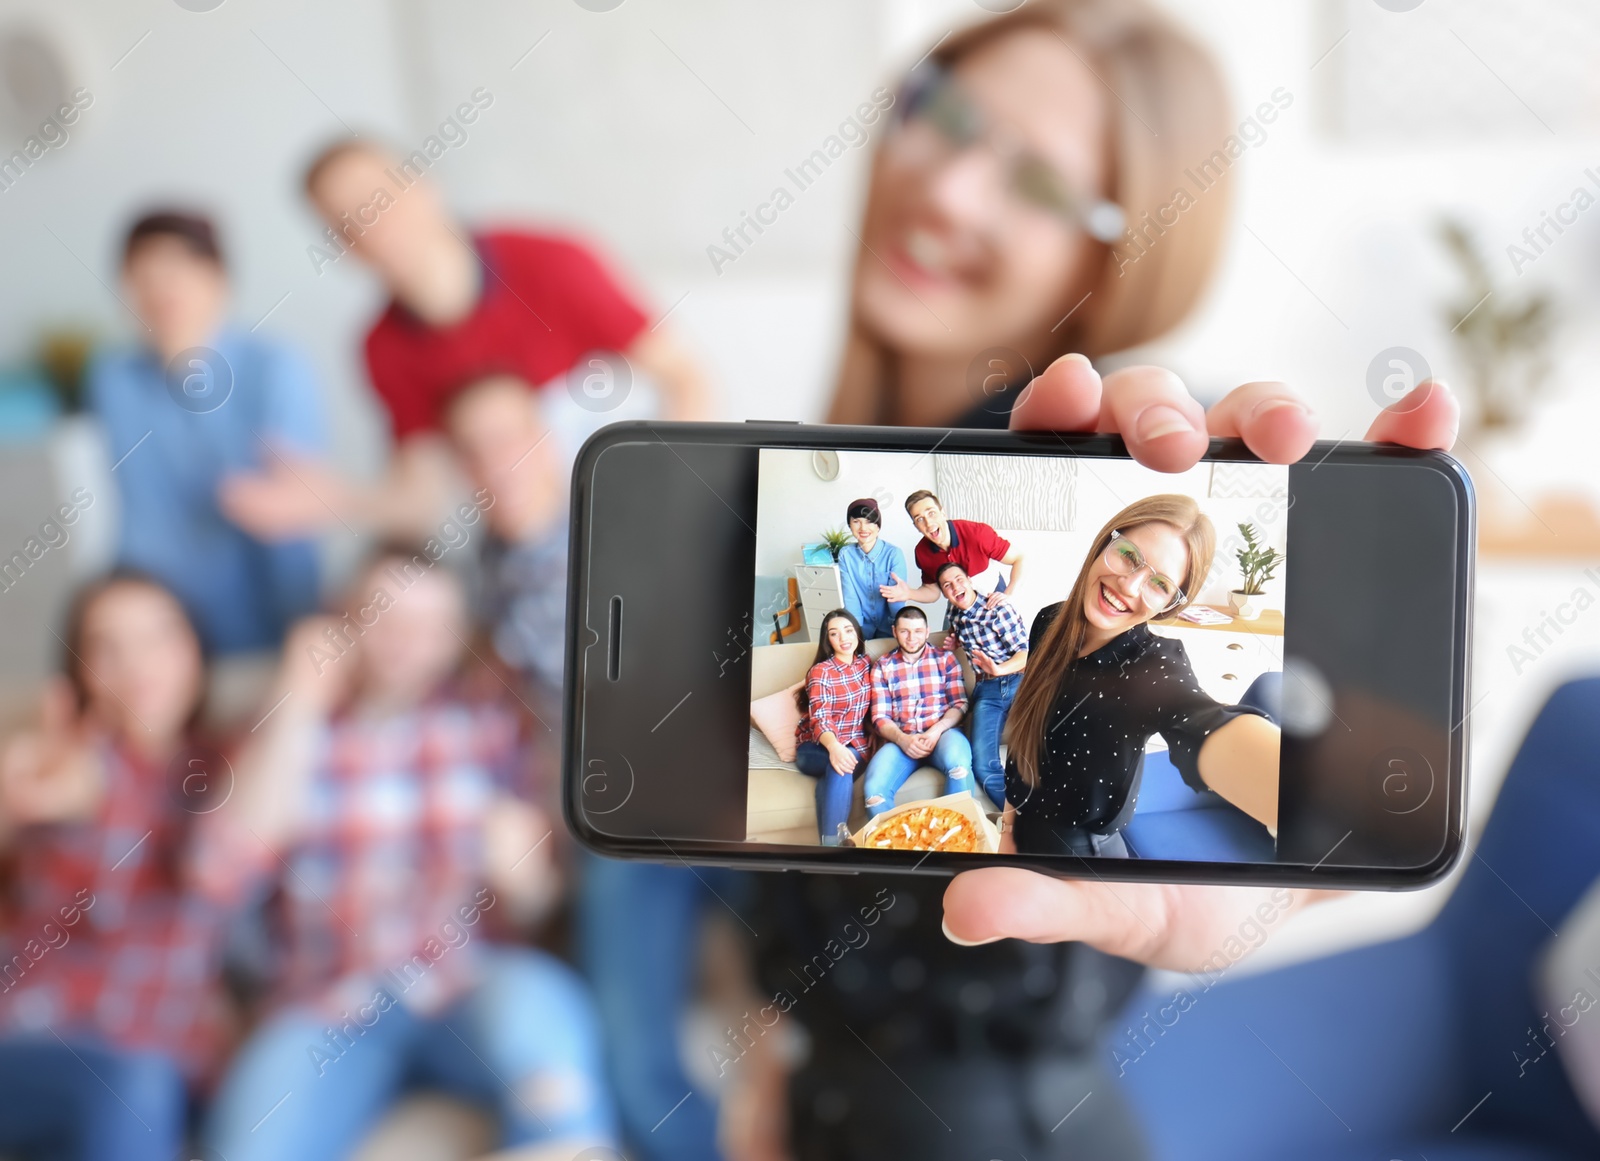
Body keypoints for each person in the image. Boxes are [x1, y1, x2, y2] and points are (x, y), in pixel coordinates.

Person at [732, 5, 1462, 1161]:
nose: (954, 192)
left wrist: (1305, 820)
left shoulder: (1119, 544)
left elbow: (1241, 739)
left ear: (1117, 255)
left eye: (1036, 182)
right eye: (948, 114)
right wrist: (766, 1062)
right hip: (845, 1103)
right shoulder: (994, 592)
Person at [201, 547, 615, 1161]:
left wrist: (526, 883)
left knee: (544, 1024)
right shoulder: (282, 729)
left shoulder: (490, 727)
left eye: (429, 627)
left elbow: (535, 904)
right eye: (384, 619)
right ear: (343, 622)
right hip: (326, 1005)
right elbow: (217, 875)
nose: (406, 643)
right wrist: (298, 693)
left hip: (468, 985)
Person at [219, 139, 713, 543]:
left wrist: (651, 506)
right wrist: (335, 502)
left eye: (379, 196)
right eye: (347, 221)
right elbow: (422, 496)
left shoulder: (553, 263)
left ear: (425, 187)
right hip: (528, 554)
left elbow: (687, 379)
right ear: (344, 249)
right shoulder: (382, 350)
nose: (372, 224)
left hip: (645, 518)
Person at [0, 573, 232, 1161]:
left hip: (160, 1065)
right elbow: (95, 896)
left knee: (140, 1087)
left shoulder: (226, 767)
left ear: (197, 649)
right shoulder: (65, 764)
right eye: (108, 647)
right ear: (80, 672)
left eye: (159, 637)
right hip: (32, 1043)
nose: (138, 665)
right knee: (132, 1087)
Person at [88, 211, 326, 653]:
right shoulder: (113, 379)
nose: (162, 288)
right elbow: (125, 513)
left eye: (177, 268)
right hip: (158, 630)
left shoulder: (274, 367)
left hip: (269, 618)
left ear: (218, 277)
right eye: (144, 274)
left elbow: (289, 511)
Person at [1000, 497, 1279, 857]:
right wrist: (1008, 827)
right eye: (1129, 555)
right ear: (1106, 543)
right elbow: (1025, 743)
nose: (1128, 587)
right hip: (1022, 823)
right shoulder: (1048, 621)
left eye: (1159, 584)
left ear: (1170, 605)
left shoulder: (1154, 669)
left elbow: (1208, 723)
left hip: (1079, 854)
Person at [442, 375, 569, 699]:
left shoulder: (608, 543)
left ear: (546, 441)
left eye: (504, 441)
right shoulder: (489, 548)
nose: (491, 465)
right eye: (470, 450)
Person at [861, 605, 973, 817]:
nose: (912, 638)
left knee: (959, 769)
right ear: (894, 631)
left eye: (918, 631)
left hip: (942, 735)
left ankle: (954, 843)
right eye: (905, 631)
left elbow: (960, 704)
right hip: (901, 740)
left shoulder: (946, 659)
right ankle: (903, 846)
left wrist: (935, 731)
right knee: (873, 793)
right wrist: (903, 739)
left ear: (927, 631)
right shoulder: (883, 666)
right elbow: (880, 716)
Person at [935, 560, 1029, 812]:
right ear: (944, 594)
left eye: (958, 580)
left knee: (1040, 750)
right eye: (947, 586)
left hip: (1019, 681)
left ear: (969, 580)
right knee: (983, 765)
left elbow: (1025, 655)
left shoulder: (997, 608)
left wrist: (998, 669)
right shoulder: (954, 614)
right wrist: (954, 641)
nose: (955, 587)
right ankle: (1017, 820)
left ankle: (1048, 819)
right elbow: (960, 629)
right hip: (986, 692)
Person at [793, 608, 873, 845]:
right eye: (834, 634)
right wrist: (835, 747)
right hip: (814, 747)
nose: (843, 638)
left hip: (856, 744)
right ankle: (834, 845)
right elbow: (820, 717)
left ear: (857, 634)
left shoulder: (866, 664)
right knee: (841, 764)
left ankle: (826, 849)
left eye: (848, 631)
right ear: (828, 640)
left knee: (834, 776)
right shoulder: (821, 672)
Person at [883, 489, 1024, 609]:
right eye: (919, 519)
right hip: (959, 605)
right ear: (916, 526)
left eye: (931, 513)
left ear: (943, 513)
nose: (928, 522)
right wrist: (909, 594)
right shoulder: (921, 552)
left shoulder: (977, 534)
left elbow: (1019, 558)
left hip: (993, 598)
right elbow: (932, 591)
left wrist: (1008, 594)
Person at [835, 498, 907, 639]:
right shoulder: (846, 554)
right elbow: (850, 596)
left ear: (878, 526)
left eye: (869, 522)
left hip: (890, 625)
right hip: (861, 626)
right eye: (856, 522)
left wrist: (898, 627)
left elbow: (896, 598)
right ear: (849, 525)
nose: (863, 528)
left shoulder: (894, 553)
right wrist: (855, 630)